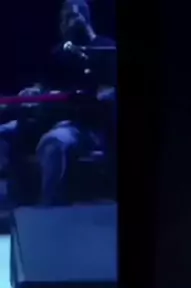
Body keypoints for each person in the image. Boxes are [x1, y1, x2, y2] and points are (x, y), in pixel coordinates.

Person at [0, 0, 115, 205]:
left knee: (53, 142)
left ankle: (49, 208)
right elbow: (46, 86)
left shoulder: (105, 48)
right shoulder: (60, 53)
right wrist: (34, 92)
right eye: (62, 20)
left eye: (69, 17)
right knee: (3, 134)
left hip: (82, 126)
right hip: (47, 118)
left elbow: (109, 92)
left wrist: (100, 96)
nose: (64, 24)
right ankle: (12, 200)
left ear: (83, 18)